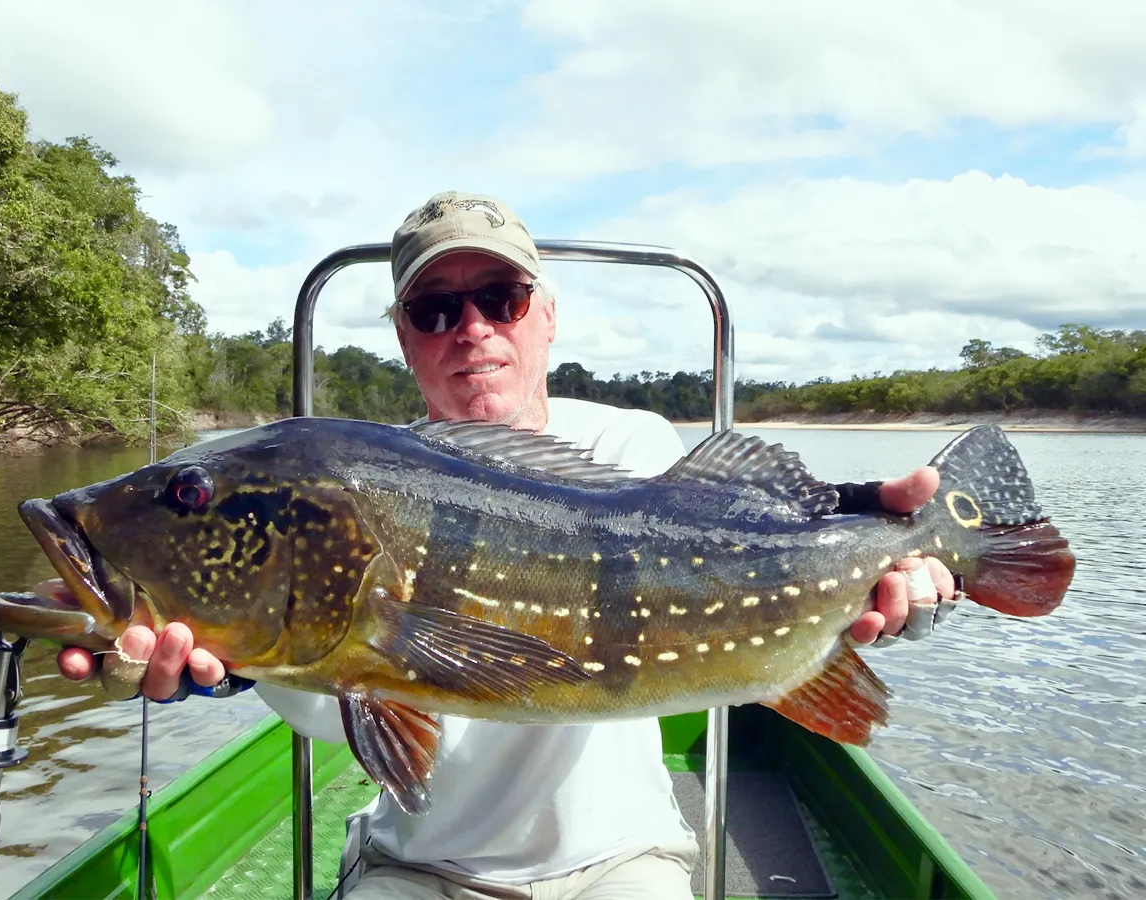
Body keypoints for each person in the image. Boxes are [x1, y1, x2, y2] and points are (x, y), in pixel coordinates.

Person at [57, 191, 960, 899]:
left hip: (624, 860)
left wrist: (895, 559)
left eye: (501, 297)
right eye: (437, 309)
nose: (474, 328)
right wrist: (222, 666)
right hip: (418, 868)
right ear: (406, 337)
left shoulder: (635, 447)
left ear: (546, 316)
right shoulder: (345, 499)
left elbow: (739, 537)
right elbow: (328, 697)